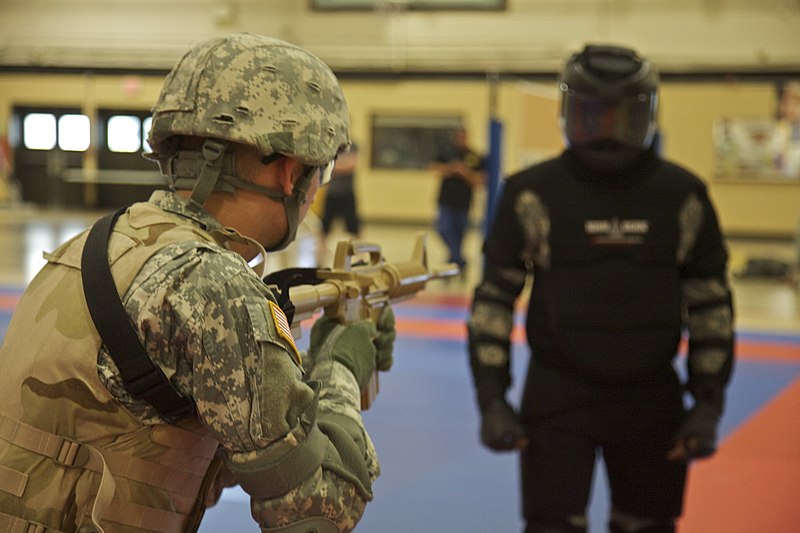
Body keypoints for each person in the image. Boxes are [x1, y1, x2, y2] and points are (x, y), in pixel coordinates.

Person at [0, 33, 395, 533]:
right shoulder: (216, 288)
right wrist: (340, 364)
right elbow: (318, 510)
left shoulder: (91, 246)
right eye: (324, 170)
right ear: (291, 174)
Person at [467, 44, 735, 533]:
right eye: (593, 115)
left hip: (651, 397)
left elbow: (711, 307)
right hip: (557, 394)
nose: (607, 130)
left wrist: (708, 405)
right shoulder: (531, 193)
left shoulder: (682, 197)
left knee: (647, 525)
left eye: (621, 116)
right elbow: (494, 301)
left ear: (647, 115)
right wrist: (491, 399)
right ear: (569, 112)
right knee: (552, 526)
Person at [428, 126, 486, 271]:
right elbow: (432, 167)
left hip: (464, 203)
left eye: (463, 136)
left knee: (460, 234)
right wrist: (451, 169)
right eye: (458, 136)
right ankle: (458, 259)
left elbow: (480, 180)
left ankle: (454, 261)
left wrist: (464, 172)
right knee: (443, 229)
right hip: (445, 201)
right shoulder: (446, 152)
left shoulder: (474, 156)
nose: (460, 139)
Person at [321, 142, 361, 240]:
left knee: (353, 226)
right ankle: (321, 253)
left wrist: (335, 166)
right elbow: (324, 165)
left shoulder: (353, 145)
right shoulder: (331, 143)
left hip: (347, 192)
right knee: (325, 228)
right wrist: (341, 165)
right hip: (332, 192)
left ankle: (359, 252)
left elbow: (351, 165)